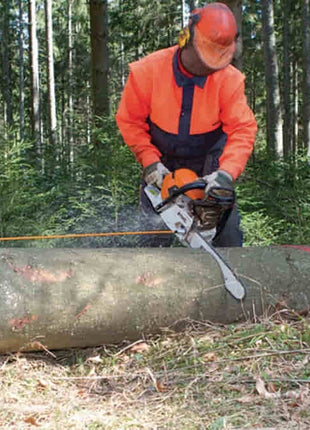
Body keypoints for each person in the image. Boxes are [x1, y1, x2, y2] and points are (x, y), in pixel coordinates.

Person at [115, 2, 257, 247]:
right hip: (162, 164)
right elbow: (130, 120)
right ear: (186, 39)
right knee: (150, 239)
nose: (207, 68)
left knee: (228, 237)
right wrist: (149, 161)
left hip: (208, 166)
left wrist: (225, 174)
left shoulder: (229, 80)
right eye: (204, 58)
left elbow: (242, 129)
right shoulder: (147, 72)